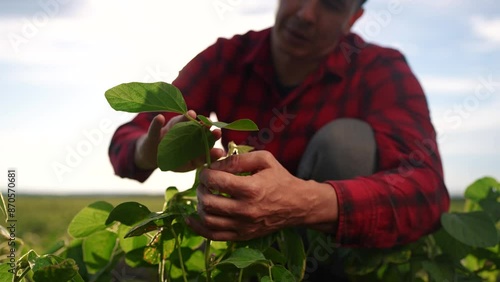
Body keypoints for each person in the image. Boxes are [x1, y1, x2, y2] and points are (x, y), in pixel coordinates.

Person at [109, 0, 450, 279]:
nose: (305, 14)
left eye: (331, 5)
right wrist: (150, 149)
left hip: (335, 249)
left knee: (347, 143)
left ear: (354, 18)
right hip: (238, 243)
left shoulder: (379, 68)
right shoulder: (229, 56)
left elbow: (427, 190)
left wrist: (304, 204)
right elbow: (128, 139)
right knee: (128, 273)